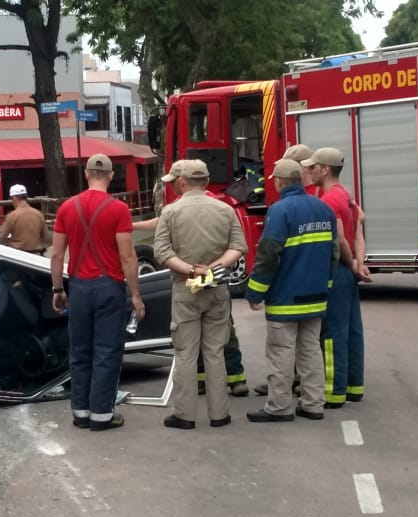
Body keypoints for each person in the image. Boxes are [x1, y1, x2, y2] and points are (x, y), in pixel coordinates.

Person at [132, 174, 250, 398]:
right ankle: (235, 378)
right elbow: (237, 245)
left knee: (194, 334)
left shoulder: (182, 205)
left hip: (192, 279)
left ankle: (206, 381)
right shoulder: (215, 203)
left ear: (183, 181)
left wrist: (131, 226)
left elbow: (161, 231)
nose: (171, 185)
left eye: (173, 181)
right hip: (215, 277)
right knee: (224, 330)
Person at [51, 154, 145, 431]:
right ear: (111, 176)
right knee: (106, 351)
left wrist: (57, 288)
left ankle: (80, 412)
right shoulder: (119, 209)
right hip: (109, 287)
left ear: (86, 174)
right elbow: (127, 256)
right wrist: (136, 295)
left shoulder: (67, 208)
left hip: (78, 287)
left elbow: (57, 254)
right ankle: (102, 414)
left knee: (80, 350)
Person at [154, 159, 247, 429]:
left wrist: (193, 270)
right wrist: (215, 268)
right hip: (217, 288)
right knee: (215, 352)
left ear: (182, 181)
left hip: (186, 287)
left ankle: (185, 415)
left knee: (186, 353)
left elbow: (162, 252)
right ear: (206, 181)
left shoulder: (171, 212)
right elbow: (238, 246)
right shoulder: (225, 210)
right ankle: (220, 414)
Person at [245, 159, 337, 422]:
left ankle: (279, 407)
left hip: (286, 299)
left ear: (279, 182)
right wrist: (327, 285)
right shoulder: (323, 208)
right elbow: (332, 253)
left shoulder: (279, 211)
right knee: (310, 351)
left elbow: (268, 256)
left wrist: (255, 292)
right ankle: (313, 404)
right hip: (316, 297)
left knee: (281, 353)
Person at [301, 147, 368, 408]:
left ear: (325, 169)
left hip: (337, 270)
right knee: (352, 330)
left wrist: (350, 262)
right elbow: (360, 223)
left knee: (332, 333)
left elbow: (339, 239)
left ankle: (334, 392)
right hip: (348, 272)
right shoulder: (345, 194)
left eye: (313, 167)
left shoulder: (328, 200)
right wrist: (359, 263)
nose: (310, 171)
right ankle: (354, 386)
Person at [0, 184, 48, 254]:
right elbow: (45, 236)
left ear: (14, 198)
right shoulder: (39, 214)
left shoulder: (12, 216)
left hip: (17, 253)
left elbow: (2, 236)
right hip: (36, 253)